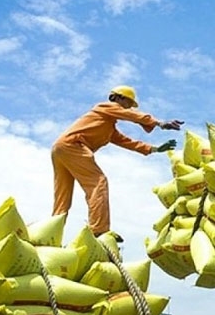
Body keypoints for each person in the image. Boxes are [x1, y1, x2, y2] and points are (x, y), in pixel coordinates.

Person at [51, 85, 183, 242]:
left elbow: (128, 142)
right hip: (72, 146)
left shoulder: (108, 127)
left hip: (60, 149)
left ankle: (51, 232)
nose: (129, 107)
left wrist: (155, 149)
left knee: (63, 196)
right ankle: (99, 230)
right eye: (128, 103)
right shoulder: (104, 107)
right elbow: (128, 115)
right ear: (118, 98)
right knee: (98, 183)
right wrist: (159, 123)